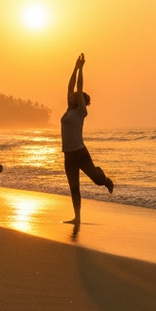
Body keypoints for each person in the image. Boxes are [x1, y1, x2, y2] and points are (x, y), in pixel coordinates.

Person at [61, 53, 113, 224]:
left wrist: (82, 68)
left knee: (97, 181)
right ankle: (77, 218)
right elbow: (70, 86)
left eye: (76, 95)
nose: (72, 95)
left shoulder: (80, 112)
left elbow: (79, 86)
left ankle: (105, 179)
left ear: (81, 100)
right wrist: (74, 68)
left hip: (80, 153)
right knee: (74, 188)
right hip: (68, 155)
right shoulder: (69, 110)